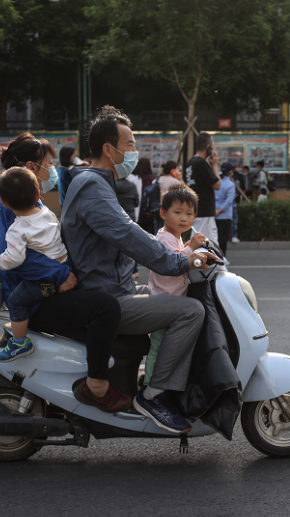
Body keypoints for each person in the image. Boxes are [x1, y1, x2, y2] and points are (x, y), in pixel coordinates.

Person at [62, 105, 217, 433]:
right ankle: (154, 394)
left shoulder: (97, 181)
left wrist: (183, 249)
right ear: (109, 149)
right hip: (107, 297)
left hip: (113, 288)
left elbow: (132, 232)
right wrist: (178, 261)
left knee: (166, 295)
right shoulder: (93, 185)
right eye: (130, 144)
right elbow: (129, 235)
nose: (135, 151)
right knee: (189, 312)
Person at [0, 131, 127, 412]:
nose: (50, 171)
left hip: (46, 285)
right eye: (47, 166)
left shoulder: (27, 199)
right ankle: (97, 386)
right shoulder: (2, 205)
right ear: (29, 168)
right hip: (34, 295)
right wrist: (62, 275)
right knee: (105, 308)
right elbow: (17, 259)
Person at [0, 167, 73, 362]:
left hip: (43, 281)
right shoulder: (47, 213)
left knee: (16, 301)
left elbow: (14, 259)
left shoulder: (16, 230)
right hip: (64, 265)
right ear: (38, 194)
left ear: (3, 202)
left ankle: (20, 342)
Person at [144, 185, 207, 387]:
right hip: (164, 303)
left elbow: (180, 256)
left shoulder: (175, 236)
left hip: (172, 301)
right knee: (159, 346)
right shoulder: (164, 237)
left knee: (164, 345)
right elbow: (175, 262)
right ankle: (150, 385)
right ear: (163, 213)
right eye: (177, 212)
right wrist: (192, 248)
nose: (183, 218)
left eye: (189, 214)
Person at [185, 132, 221, 242]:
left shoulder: (190, 162)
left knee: (197, 244)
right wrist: (214, 165)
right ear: (208, 147)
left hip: (196, 209)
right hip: (205, 211)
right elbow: (217, 185)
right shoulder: (201, 164)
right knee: (211, 247)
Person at [215, 162, 236, 255]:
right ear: (231, 172)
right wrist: (219, 211)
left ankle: (213, 256)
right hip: (224, 215)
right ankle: (222, 257)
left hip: (213, 213)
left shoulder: (216, 182)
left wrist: (215, 211)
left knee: (214, 237)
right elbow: (229, 201)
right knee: (223, 238)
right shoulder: (230, 184)